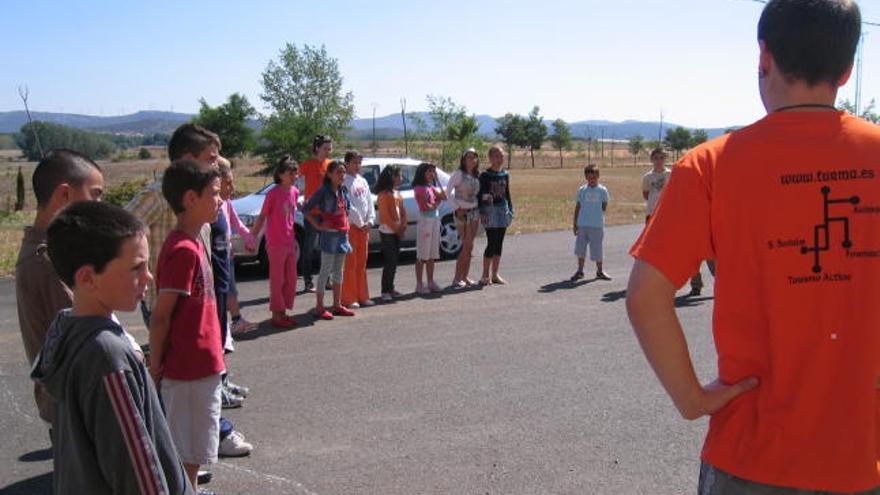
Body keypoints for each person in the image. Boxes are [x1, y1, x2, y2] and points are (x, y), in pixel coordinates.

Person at [626, 1, 879, 493]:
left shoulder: (709, 166)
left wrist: (692, 398)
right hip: (863, 456)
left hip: (750, 455)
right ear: (847, 69)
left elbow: (644, 296)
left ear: (764, 56)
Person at [32, 201, 194, 494]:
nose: (149, 277)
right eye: (136, 268)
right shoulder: (106, 354)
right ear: (87, 278)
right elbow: (136, 470)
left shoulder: (66, 328)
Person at [126, 124, 249, 478]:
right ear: (187, 160)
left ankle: (189, 462)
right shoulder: (158, 198)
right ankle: (179, 467)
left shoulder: (201, 223)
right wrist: (143, 269)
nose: (218, 165)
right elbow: (123, 232)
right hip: (168, 302)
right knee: (181, 393)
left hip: (199, 305)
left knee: (196, 399)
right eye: (211, 159)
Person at [149, 159, 226, 492]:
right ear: (191, 199)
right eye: (214, 193)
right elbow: (162, 314)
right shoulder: (182, 249)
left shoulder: (196, 240)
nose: (220, 200)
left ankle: (189, 488)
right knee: (186, 447)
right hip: (188, 369)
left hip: (203, 364)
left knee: (194, 447)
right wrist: (155, 365)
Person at [15, 149, 104, 429]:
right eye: (96, 194)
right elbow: (86, 330)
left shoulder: (54, 251)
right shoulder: (45, 260)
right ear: (64, 195)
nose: (99, 204)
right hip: (76, 404)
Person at [250, 155, 301, 329]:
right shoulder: (272, 193)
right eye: (291, 173)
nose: (295, 176)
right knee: (277, 280)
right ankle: (276, 315)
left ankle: (283, 312)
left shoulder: (295, 192)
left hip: (289, 241)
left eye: (296, 173)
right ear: (280, 175)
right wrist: (252, 237)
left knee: (291, 279)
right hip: (276, 243)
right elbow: (262, 216)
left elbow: (292, 215)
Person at [304, 160, 354, 319]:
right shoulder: (323, 191)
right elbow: (306, 209)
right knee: (325, 271)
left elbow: (345, 209)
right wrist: (318, 225)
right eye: (339, 172)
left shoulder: (343, 189)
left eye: (343, 172)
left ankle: (337, 304)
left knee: (339, 271)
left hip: (342, 234)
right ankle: (319, 307)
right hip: (329, 235)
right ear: (329, 174)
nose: (342, 175)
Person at [216, 157, 259, 335]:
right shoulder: (209, 207)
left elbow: (237, 224)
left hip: (227, 254)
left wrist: (250, 238)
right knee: (219, 293)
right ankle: (222, 326)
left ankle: (235, 320)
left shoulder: (226, 203)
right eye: (228, 183)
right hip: (216, 257)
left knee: (231, 290)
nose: (233, 189)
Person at [341, 151, 376, 308]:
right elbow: (348, 206)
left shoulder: (362, 180)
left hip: (364, 229)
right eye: (354, 163)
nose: (357, 166)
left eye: (359, 163)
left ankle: (363, 295)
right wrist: (360, 222)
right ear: (347, 163)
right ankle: (349, 298)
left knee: (362, 263)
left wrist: (370, 220)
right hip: (352, 228)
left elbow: (368, 201)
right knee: (351, 263)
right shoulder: (344, 182)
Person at [299, 134, 333, 292]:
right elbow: (294, 181)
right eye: (325, 148)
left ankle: (327, 280)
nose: (328, 151)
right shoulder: (307, 165)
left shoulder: (331, 165)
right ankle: (308, 281)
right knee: (309, 248)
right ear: (317, 148)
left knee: (327, 247)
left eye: (330, 148)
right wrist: (298, 198)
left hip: (327, 212)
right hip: (311, 212)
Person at [479, 146, 513, 285]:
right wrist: (483, 211)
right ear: (491, 158)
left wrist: (510, 209)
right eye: (497, 156)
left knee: (499, 243)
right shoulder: (485, 175)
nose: (500, 159)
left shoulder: (505, 174)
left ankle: (495, 274)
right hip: (490, 211)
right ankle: (485, 275)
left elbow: (507, 193)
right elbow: (481, 195)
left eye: (501, 156)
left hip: (502, 210)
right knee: (491, 242)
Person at [570, 164, 611, 281]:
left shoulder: (602, 190)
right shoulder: (582, 190)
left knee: (597, 248)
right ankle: (580, 271)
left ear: (598, 176)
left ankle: (600, 271)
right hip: (582, 224)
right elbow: (578, 207)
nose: (592, 180)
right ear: (586, 178)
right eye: (589, 178)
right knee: (580, 249)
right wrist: (575, 223)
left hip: (597, 225)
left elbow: (604, 205)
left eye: (594, 178)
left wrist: (598, 216)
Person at [448, 147, 481, 288]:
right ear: (463, 159)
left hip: (474, 212)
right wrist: (456, 208)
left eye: (474, 157)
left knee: (470, 245)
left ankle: (465, 277)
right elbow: (448, 192)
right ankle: (457, 278)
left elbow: (478, 194)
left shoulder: (476, 175)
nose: (471, 159)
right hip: (462, 213)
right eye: (468, 157)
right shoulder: (458, 174)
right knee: (466, 245)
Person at [412, 162, 447, 294]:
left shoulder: (431, 187)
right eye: (429, 172)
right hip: (425, 221)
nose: (431, 174)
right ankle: (420, 284)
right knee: (422, 255)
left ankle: (430, 282)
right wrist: (436, 203)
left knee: (432, 254)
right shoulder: (419, 188)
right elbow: (427, 207)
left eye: (433, 172)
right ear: (423, 173)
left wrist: (438, 180)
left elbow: (444, 197)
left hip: (434, 220)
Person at [375, 165, 407, 302]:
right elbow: (386, 218)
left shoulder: (397, 193)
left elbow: (403, 212)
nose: (401, 178)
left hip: (397, 231)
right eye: (399, 175)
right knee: (389, 261)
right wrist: (397, 229)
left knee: (394, 262)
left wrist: (403, 226)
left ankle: (391, 287)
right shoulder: (383, 195)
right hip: (388, 232)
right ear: (392, 177)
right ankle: (385, 290)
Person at [641, 148, 670, 223]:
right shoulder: (647, 177)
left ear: (665, 159)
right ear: (652, 160)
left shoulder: (671, 174)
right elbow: (646, 194)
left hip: (667, 212)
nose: (659, 161)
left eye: (661, 158)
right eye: (656, 158)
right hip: (652, 212)